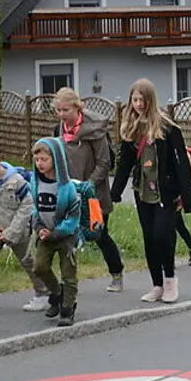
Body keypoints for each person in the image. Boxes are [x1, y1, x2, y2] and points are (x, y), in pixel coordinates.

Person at [110, 79, 191, 304]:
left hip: (165, 191)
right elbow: (125, 164)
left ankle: (170, 281)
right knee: (149, 238)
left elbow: (181, 163)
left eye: (141, 99)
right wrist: (115, 192)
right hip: (142, 192)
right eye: (134, 99)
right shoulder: (131, 128)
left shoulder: (167, 128)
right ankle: (156, 284)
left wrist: (187, 198)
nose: (138, 104)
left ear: (150, 100)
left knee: (162, 235)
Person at [53, 87, 125, 293]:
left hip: (94, 193)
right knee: (67, 237)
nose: (61, 115)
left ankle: (117, 272)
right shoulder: (60, 129)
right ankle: (69, 284)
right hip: (70, 191)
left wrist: (90, 184)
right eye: (58, 111)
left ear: (77, 107)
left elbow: (105, 162)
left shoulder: (94, 129)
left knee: (99, 235)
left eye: (65, 110)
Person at [0, 143, 48, 317]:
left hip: (17, 230)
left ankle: (43, 294)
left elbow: (27, 206)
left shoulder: (16, 181)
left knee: (29, 261)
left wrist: (12, 232)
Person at [29, 138, 82, 327]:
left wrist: (57, 232)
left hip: (65, 237)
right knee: (39, 267)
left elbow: (74, 215)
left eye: (44, 159)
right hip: (45, 234)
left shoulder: (67, 188)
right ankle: (57, 293)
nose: (40, 164)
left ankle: (68, 307)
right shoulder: (35, 184)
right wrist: (38, 228)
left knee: (69, 272)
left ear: (56, 160)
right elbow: (35, 209)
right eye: (37, 160)